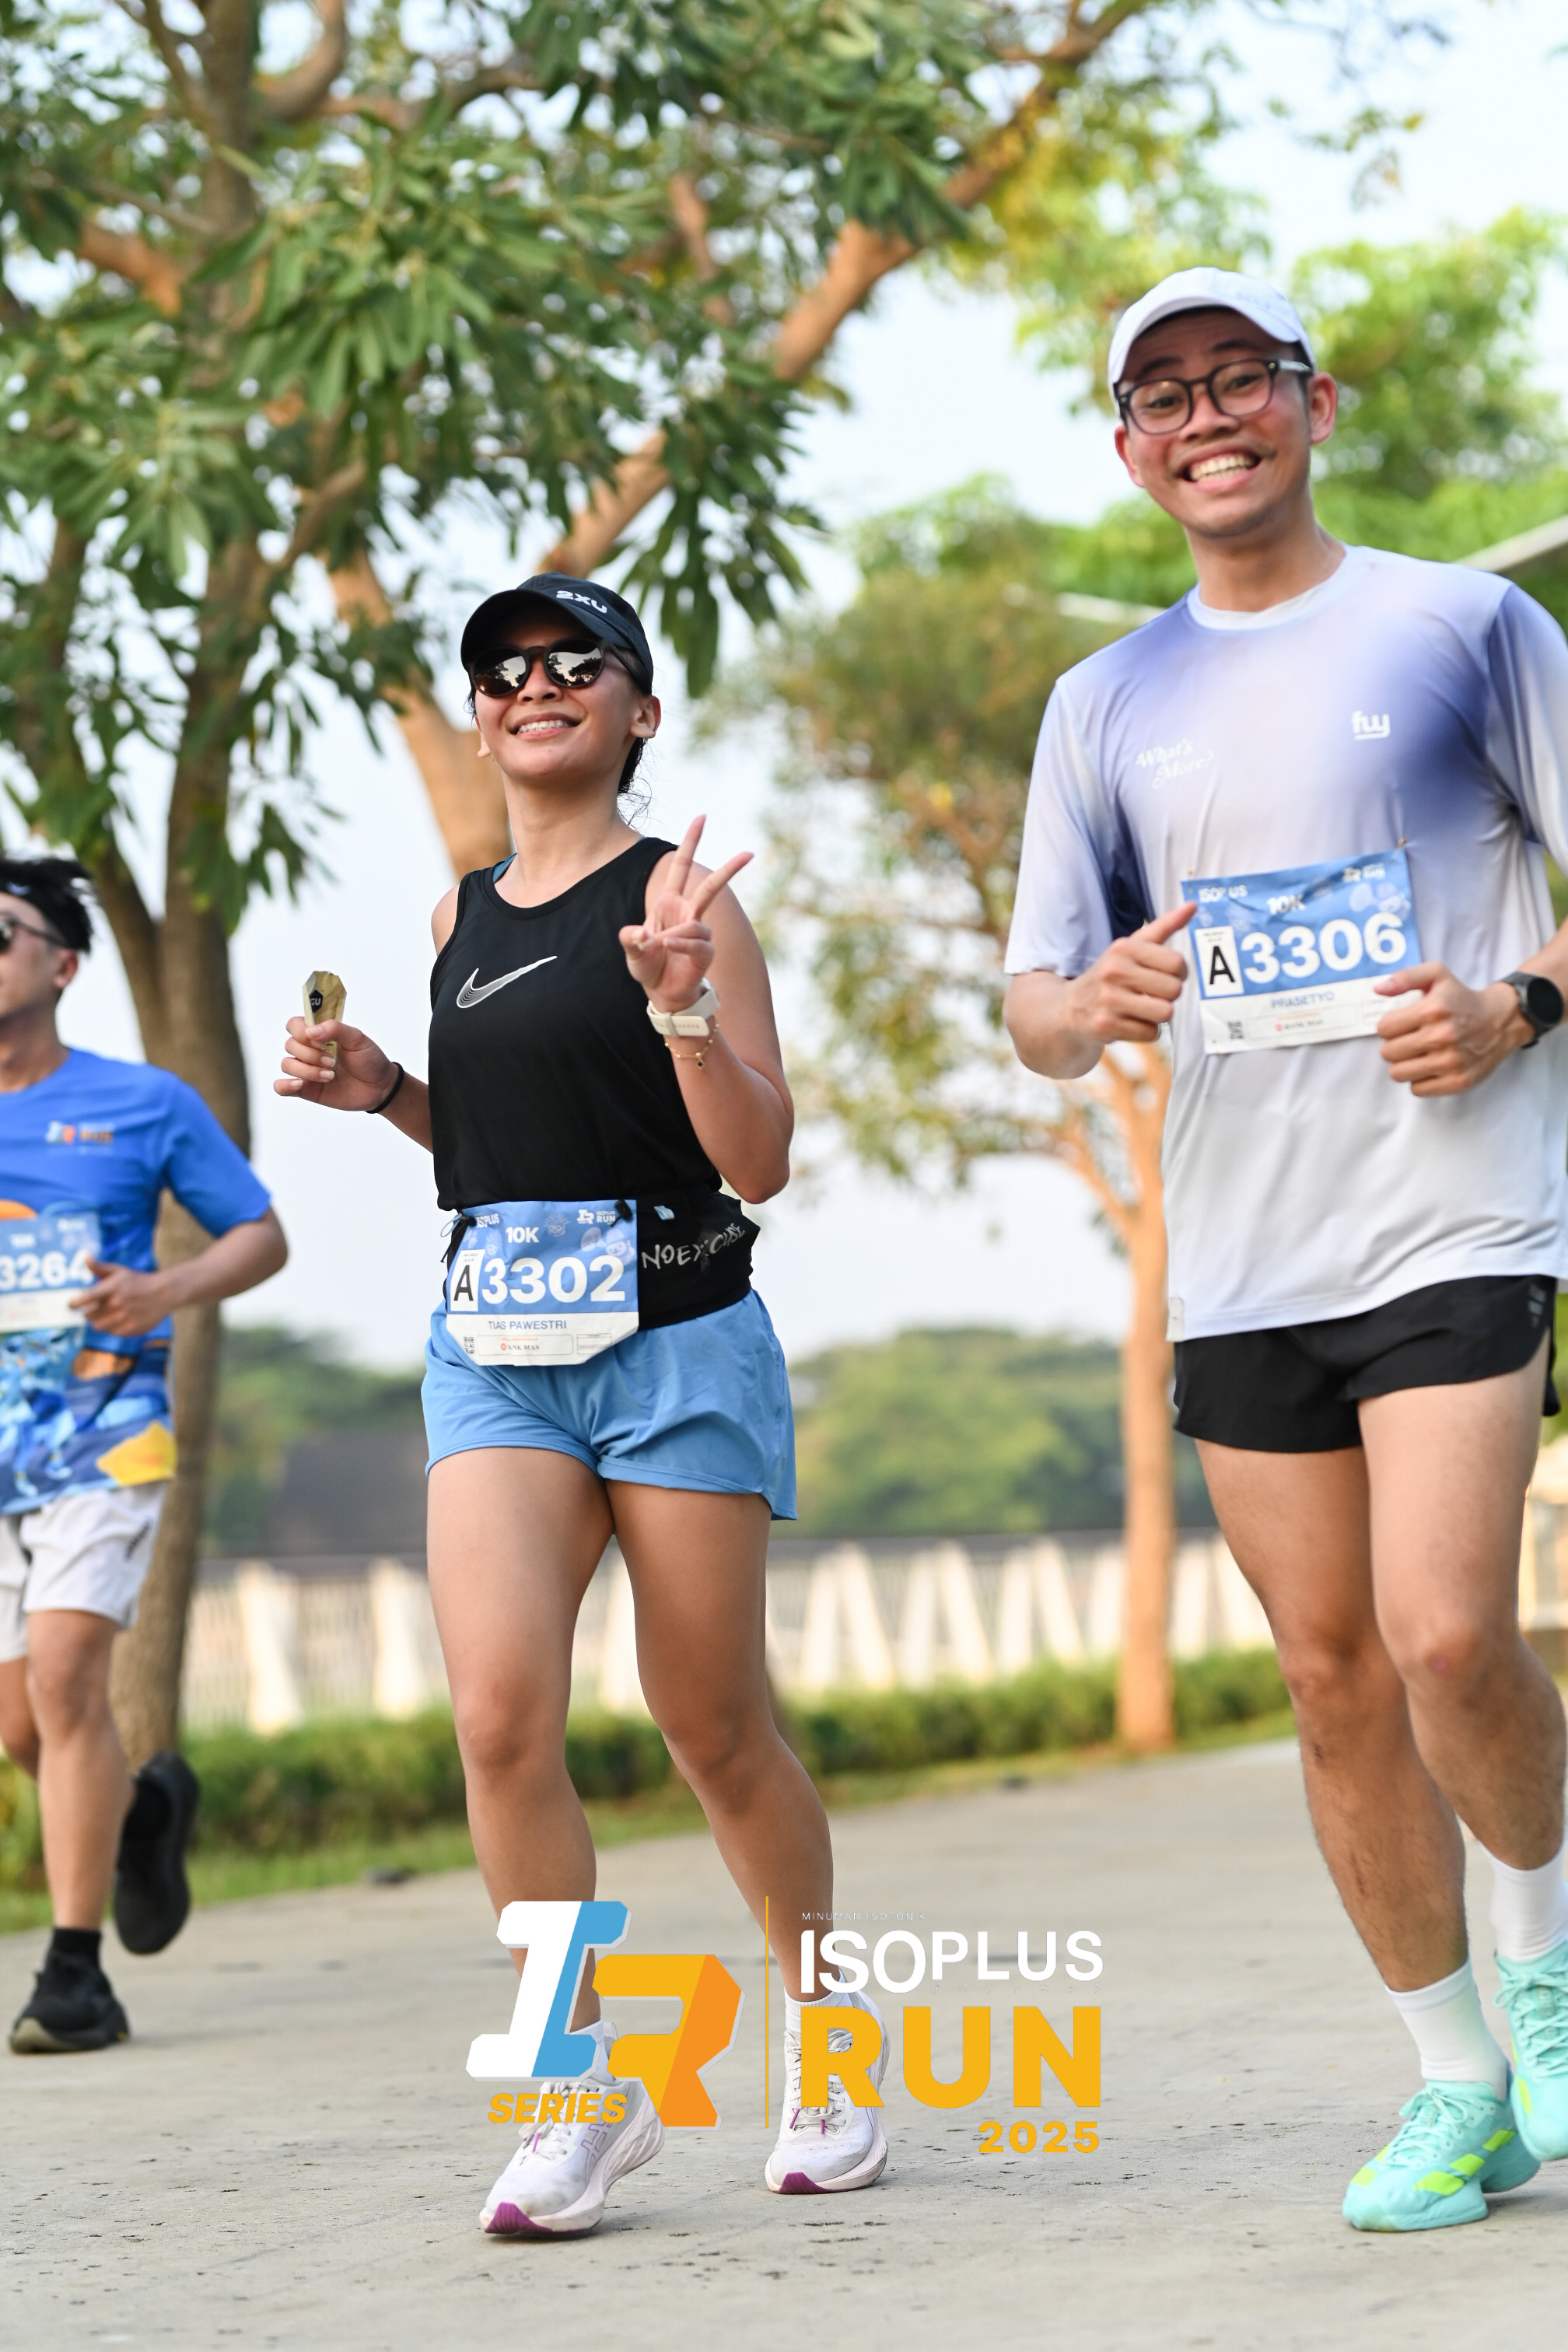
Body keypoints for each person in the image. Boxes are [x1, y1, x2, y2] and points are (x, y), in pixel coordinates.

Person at [1003, 266, 1568, 2233]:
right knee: (1332, 1682)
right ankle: (1454, 2083)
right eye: (1165, 394)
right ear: (1130, 448)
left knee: (1445, 1634)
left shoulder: (1466, 625)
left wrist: (1515, 1008)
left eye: (1241, 377)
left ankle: (1548, 1966)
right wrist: (1094, 999)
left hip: (1456, 1212)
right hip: (1242, 1257)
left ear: (1313, 408)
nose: (1207, 416)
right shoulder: (1104, 702)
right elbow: (1035, 1004)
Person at [277, 572, 886, 2236]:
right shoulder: (455, 918)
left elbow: (758, 1157)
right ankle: (578, 2087)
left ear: (639, 709)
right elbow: (504, 1146)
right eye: (503, 671)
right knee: (497, 1722)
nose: (533, 685)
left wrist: (681, 1003)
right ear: (481, 721)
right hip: (496, 1347)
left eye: (574, 663)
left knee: (713, 1729)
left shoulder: (682, 895)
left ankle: (824, 2036)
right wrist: (386, 1092)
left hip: (677, 1338)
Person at [0, 856, 287, 2054]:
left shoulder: (143, 1102)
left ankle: (75, 1977)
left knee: (68, 1684)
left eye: (0, 932)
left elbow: (260, 1235)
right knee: (24, 1729)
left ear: (61, 966)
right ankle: (141, 1815)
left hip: (104, 1435)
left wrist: (164, 1288)